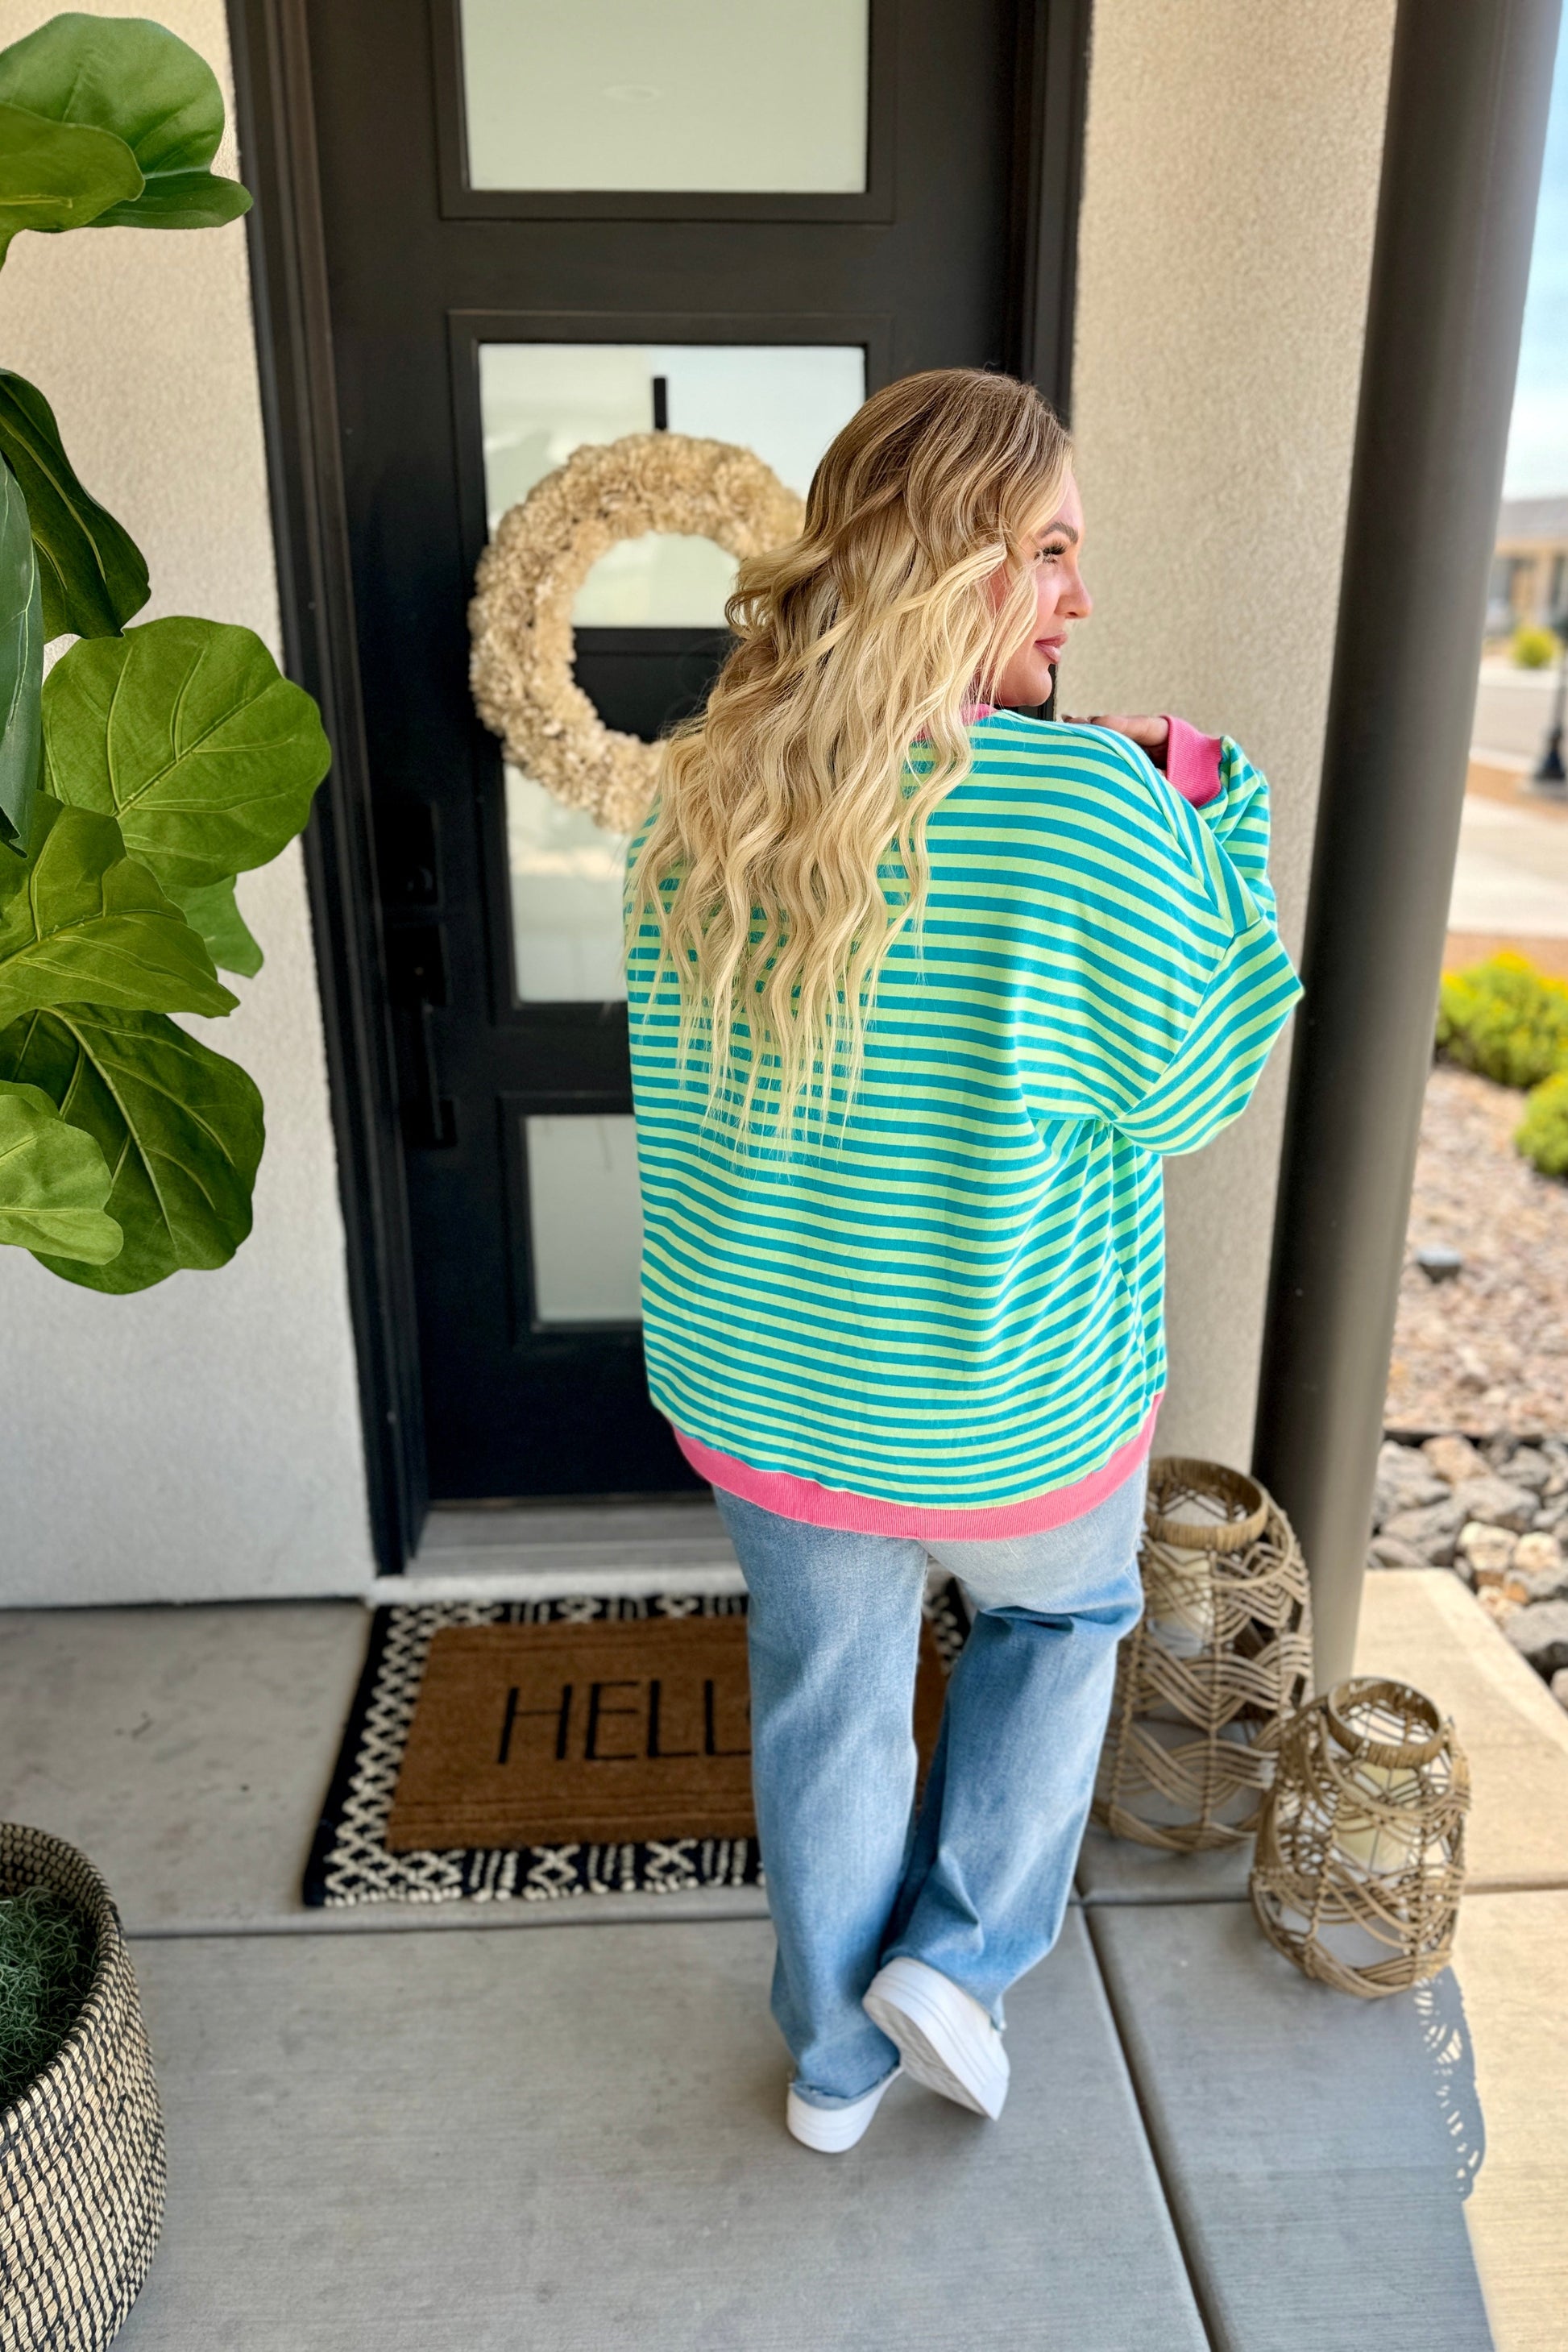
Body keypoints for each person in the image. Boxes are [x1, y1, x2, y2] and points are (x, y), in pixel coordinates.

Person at [624, 368, 1300, 2153]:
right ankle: (956, 1959)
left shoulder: (701, 790)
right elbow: (1202, 1080)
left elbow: (677, 1096)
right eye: (1050, 548)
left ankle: (830, 2063)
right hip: (1008, 1404)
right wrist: (1210, 801)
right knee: (1059, 1620)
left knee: (829, 1704)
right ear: (947, 556)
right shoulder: (1088, 803)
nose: (1080, 594)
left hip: (769, 1389)